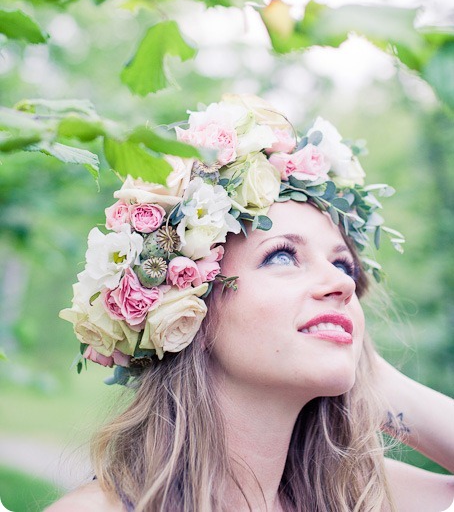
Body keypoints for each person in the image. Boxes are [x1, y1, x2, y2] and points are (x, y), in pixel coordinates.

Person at [47, 94, 454, 512]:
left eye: (343, 265)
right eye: (282, 255)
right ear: (191, 312)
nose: (341, 283)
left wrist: (368, 376)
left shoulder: (360, 497)